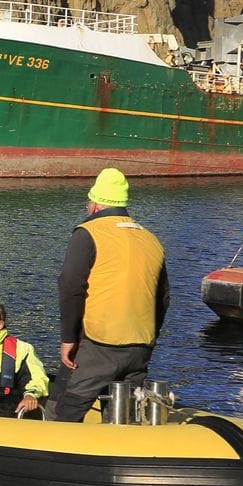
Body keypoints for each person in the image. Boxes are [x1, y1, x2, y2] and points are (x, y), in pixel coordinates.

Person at [51, 169, 168, 422]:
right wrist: (150, 336)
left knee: (66, 406)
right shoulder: (150, 239)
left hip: (100, 343)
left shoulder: (88, 232)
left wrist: (68, 338)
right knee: (122, 415)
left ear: (95, 205)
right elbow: (163, 298)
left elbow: (70, 286)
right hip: (140, 345)